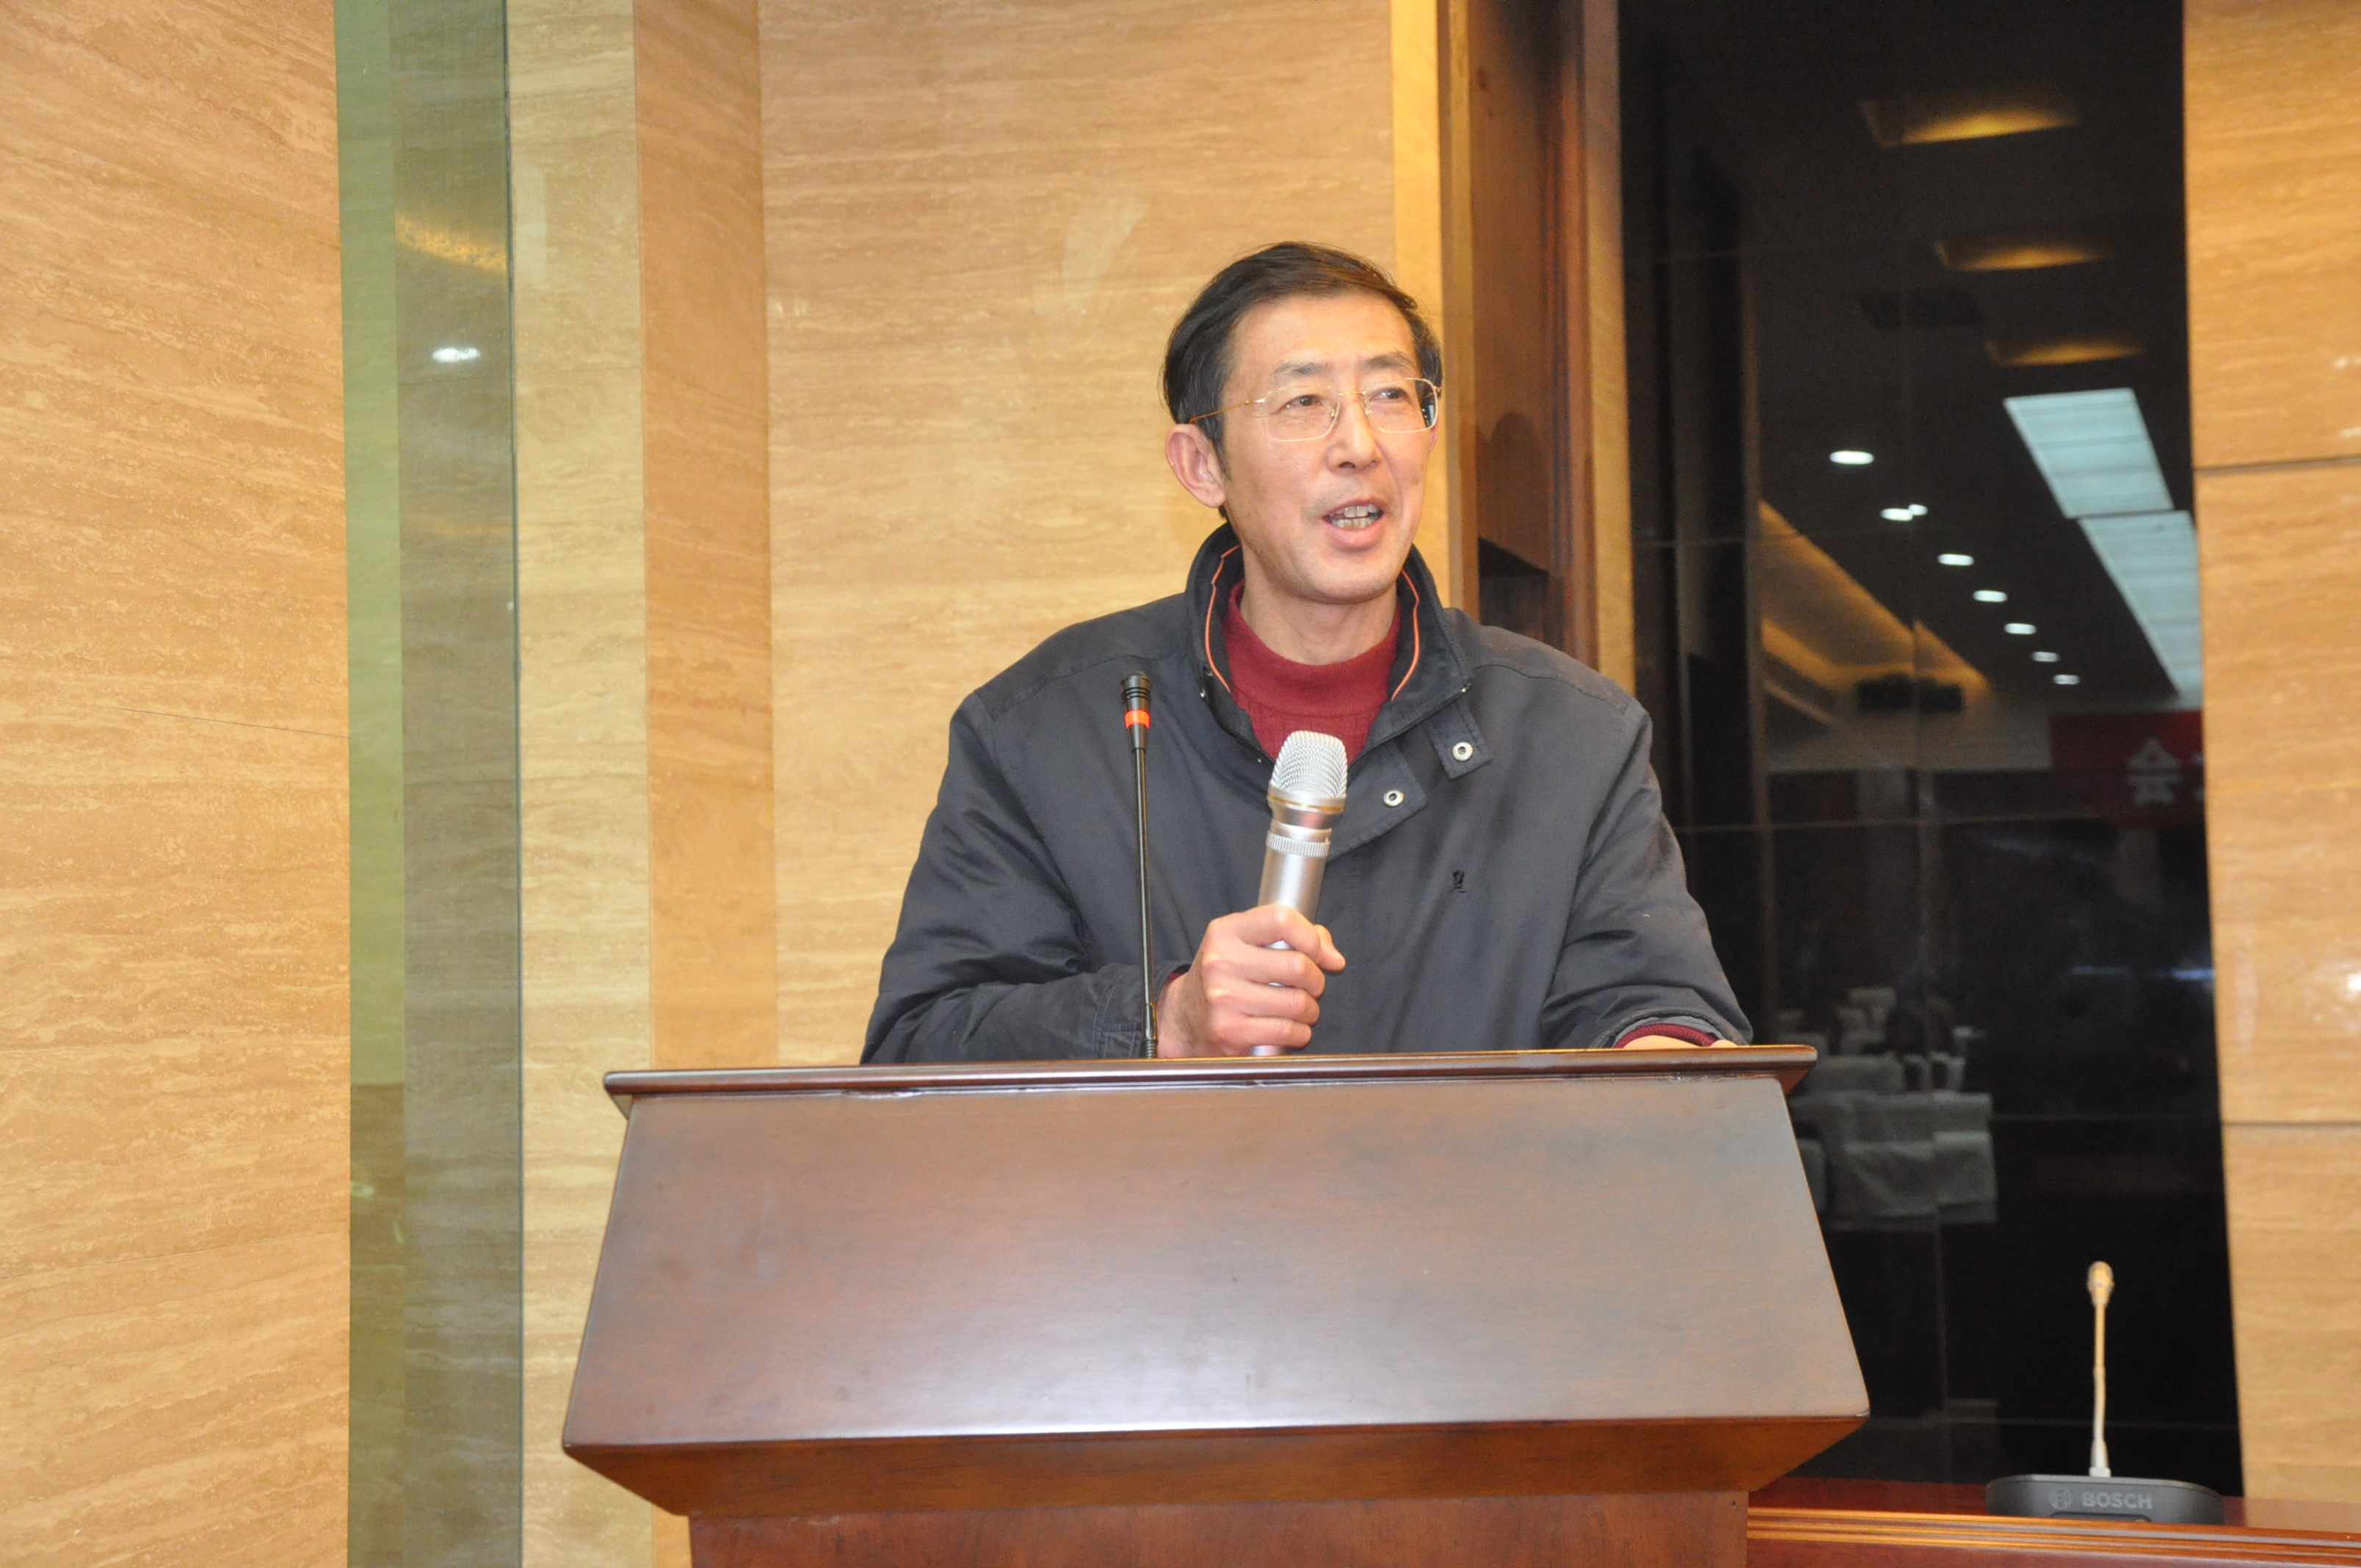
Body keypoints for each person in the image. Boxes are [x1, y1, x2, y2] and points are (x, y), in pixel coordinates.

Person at [863, 242, 1745, 1062]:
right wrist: (1164, 1018)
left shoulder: (1572, 733)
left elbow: (1656, 1005)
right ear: (1202, 465)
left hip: (1471, 1187)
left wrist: (1667, 1069)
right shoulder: (1045, 730)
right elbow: (920, 1047)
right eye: (1302, 403)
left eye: (1391, 396)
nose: (1359, 446)